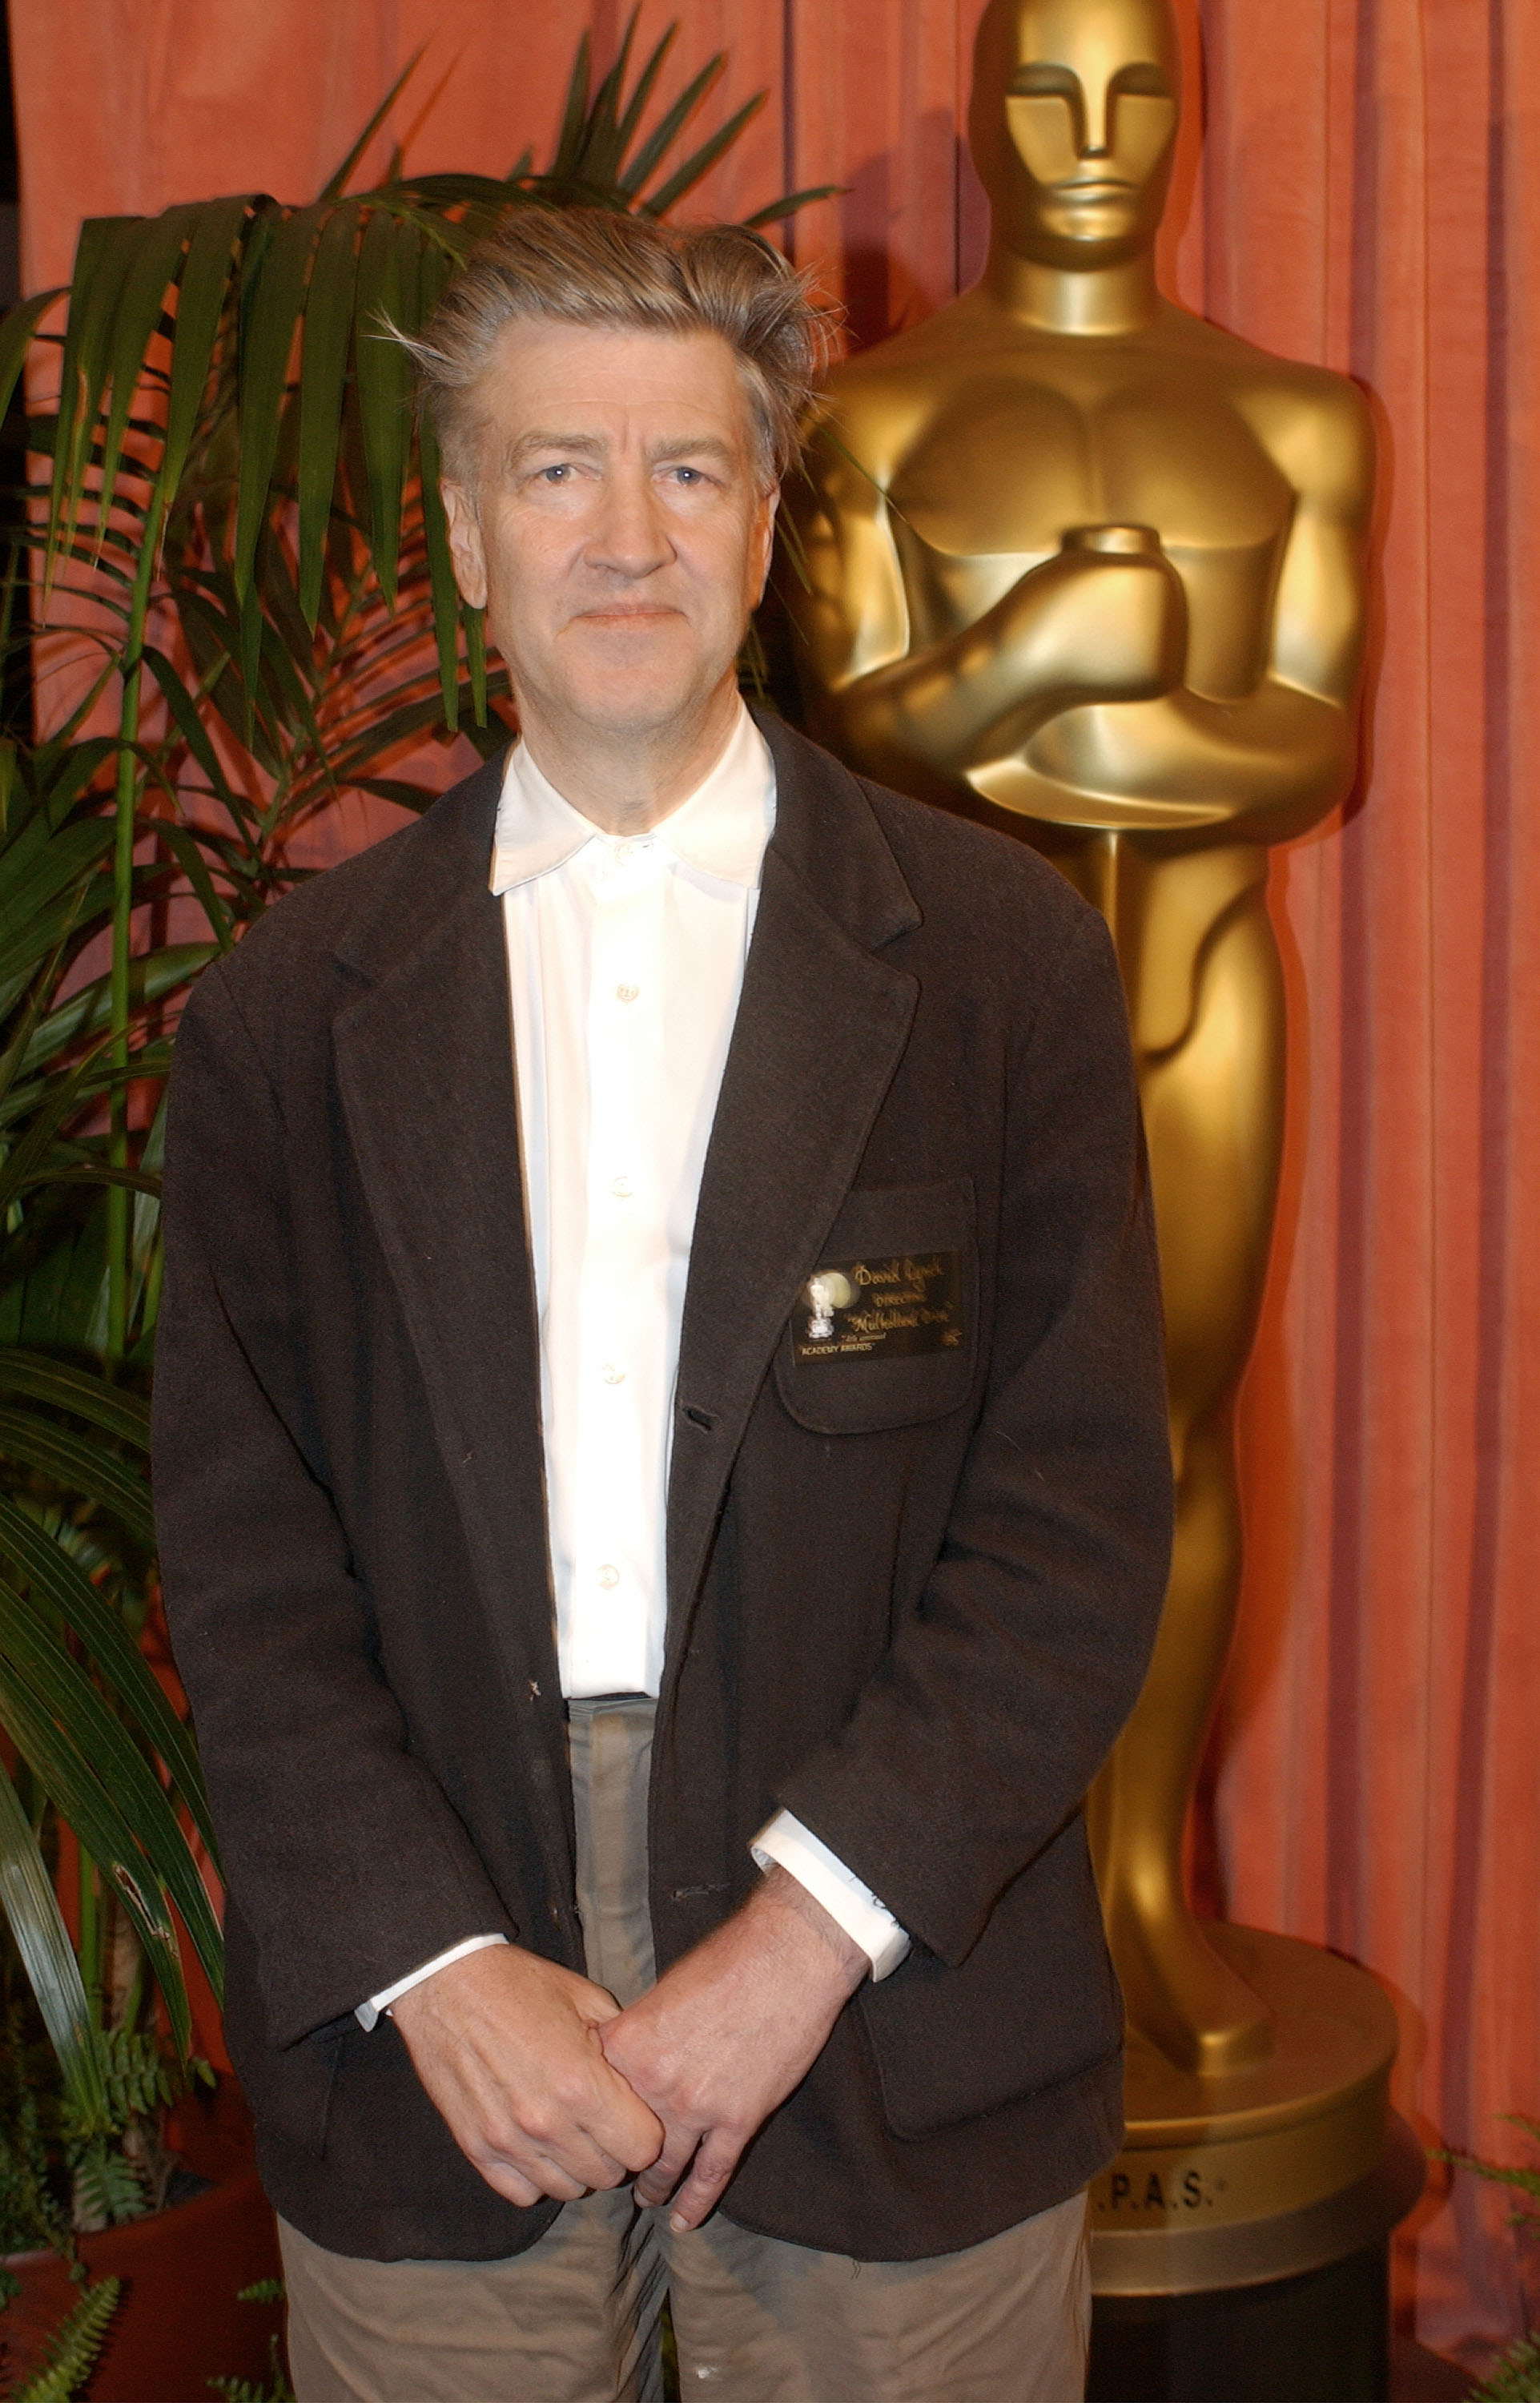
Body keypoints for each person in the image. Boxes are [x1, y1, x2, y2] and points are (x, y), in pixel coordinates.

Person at [154, 205, 1172, 2403]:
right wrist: (431, 1964)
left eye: (687, 470)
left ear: (766, 515)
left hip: (893, 1984)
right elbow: (244, 1568)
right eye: (554, 472)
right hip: (434, 2025)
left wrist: (805, 1934)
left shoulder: (1000, 971)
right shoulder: (277, 1019)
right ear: (461, 531)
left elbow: (1076, 1522)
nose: (625, 534)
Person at [783, 0, 1373, 2079]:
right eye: (1046, 86)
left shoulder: (1300, 421)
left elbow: (1308, 750)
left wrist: (1032, 705)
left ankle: (1136, 1885)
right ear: (978, 108)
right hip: (933, 1022)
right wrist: (1059, 637)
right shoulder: (865, 423)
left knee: (1182, 1435)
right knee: (916, 1453)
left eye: (1137, 86)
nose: (1094, 129)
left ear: (1189, 108)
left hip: (1200, 1000)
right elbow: (846, 733)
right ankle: (929, 1902)